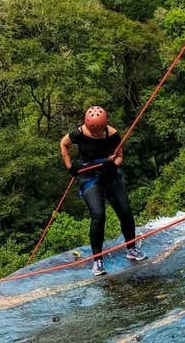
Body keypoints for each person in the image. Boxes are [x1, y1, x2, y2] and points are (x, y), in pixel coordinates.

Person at [60, 105, 146, 275]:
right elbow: (64, 144)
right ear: (87, 125)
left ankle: (131, 249)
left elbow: (120, 156)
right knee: (98, 216)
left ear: (105, 124)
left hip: (108, 173)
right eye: (94, 129)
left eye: (99, 129)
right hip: (88, 175)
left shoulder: (112, 134)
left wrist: (112, 165)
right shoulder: (78, 133)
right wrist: (70, 167)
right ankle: (97, 261)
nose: (97, 132)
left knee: (125, 211)